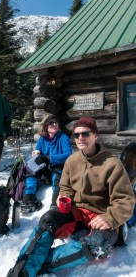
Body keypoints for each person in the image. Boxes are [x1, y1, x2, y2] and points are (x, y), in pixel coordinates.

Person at [7, 117, 135, 277]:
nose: (80, 138)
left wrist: (110, 217)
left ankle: (29, 267)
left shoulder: (112, 163)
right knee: (47, 221)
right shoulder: (72, 161)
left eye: (85, 134)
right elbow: (65, 187)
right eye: (77, 135)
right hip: (77, 213)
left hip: (102, 216)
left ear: (96, 135)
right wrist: (64, 197)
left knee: (97, 244)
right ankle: (22, 271)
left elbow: (125, 200)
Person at [20, 114, 72, 214]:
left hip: (58, 167)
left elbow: (68, 154)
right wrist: (37, 154)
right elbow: (38, 150)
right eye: (51, 123)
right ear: (46, 126)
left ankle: (54, 203)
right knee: (31, 171)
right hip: (45, 169)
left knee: (57, 178)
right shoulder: (43, 138)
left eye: (56, 122)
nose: (54, 124)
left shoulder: (63, 137)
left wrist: (49, 158)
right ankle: (29, 198)